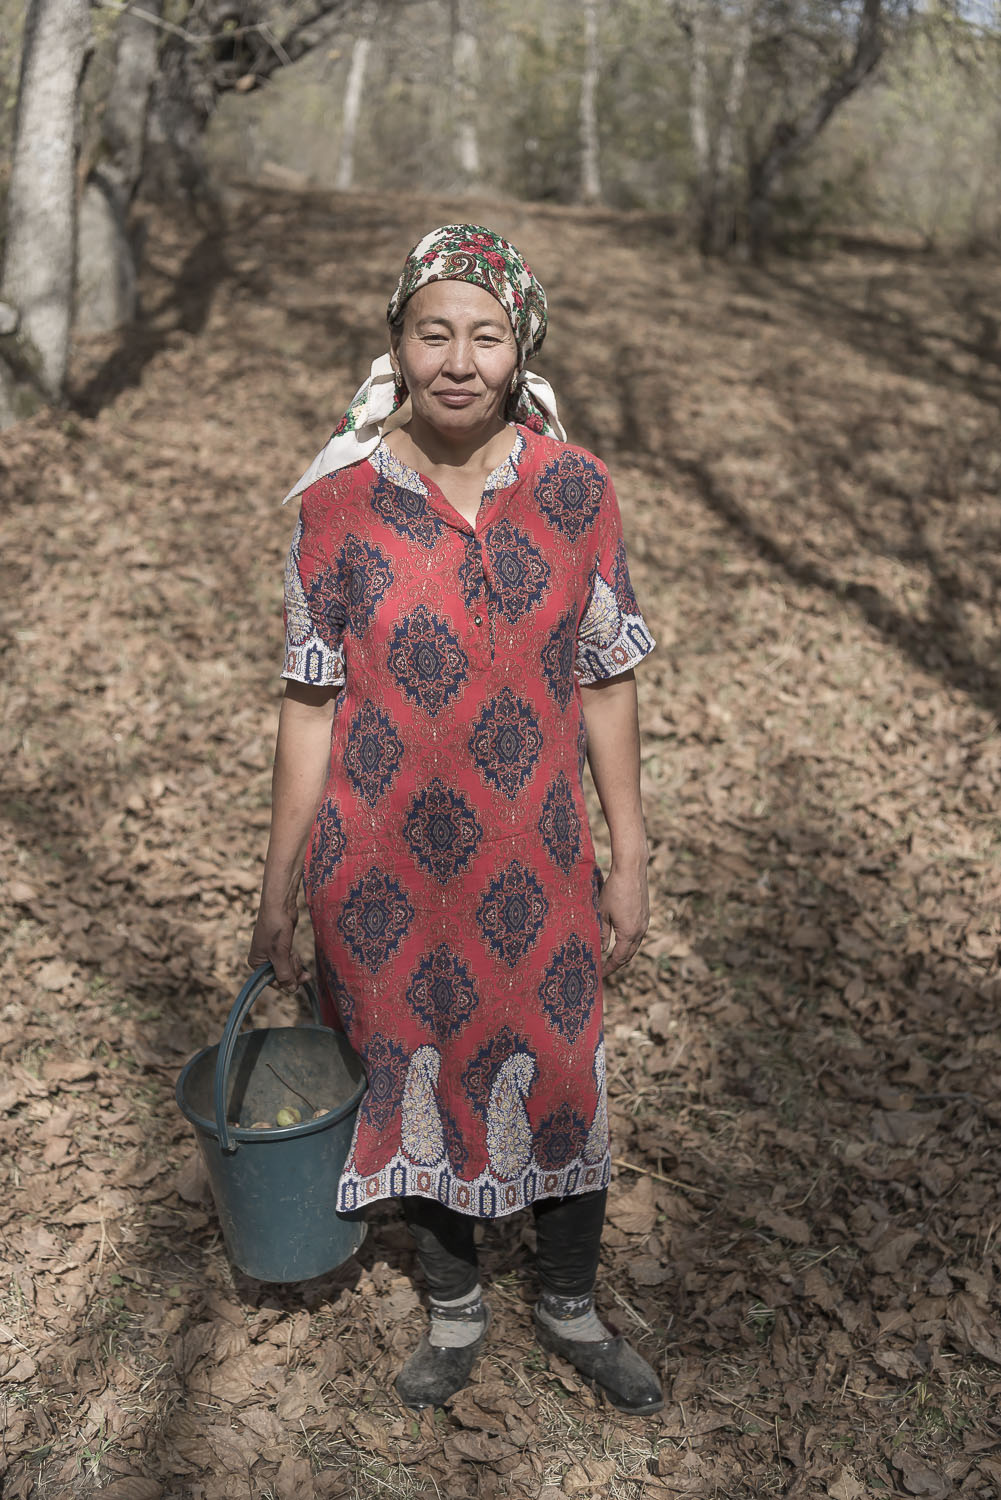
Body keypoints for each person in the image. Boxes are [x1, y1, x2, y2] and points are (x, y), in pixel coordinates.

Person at [249, 224, 661, 1415]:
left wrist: (627, 855)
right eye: (433, 332)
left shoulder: (575, 491)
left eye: (484, 334)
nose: (458, 359)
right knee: (407, 1065)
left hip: (537, 860)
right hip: (377, 869)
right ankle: (452, 1301)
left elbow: (607, 676)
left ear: (518, 347)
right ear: (396, 345)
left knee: (564, 1071)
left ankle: (572, 1303)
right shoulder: (335, 507)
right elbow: (309, 703)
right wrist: (277, 885)